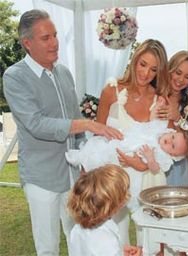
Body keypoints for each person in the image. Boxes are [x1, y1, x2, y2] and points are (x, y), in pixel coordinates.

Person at [2, 9, 122, 256]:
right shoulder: (15, 77)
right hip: (41, 178)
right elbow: (35, 124)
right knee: (48, 247)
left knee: (80, 238)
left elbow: (75, 118)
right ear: (27, 43)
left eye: (55, 35)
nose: (55, 42)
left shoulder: (64, 73)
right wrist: (87, 125)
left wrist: (88, 157)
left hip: (73, 176)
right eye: (46, 38)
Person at [95, 39, 169, 246]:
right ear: (134, 60)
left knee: (150, 241)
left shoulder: (160, 100)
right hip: (112, 177)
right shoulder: (112, 90)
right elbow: (98, 132)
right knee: (114, 239)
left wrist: (142, 164)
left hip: (147, 178)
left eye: (153, 69)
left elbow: (166, 145)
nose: (145, 73)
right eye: (142, 64)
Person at [66, 119, 188, 210]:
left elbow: (155, 169)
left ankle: (89, 167)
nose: (169, 141)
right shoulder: (157, 132)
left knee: (108, 160)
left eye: (172, 146)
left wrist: (150, 159)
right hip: (126, 142)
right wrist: (157, 108)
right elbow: (150, 123)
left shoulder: (163, 156)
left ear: (173, 155)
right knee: (103, 146)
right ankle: (83, 158)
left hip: (128, 165)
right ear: (171, 131)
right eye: (172, 136)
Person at [67, 164, 142, 256]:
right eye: (124, 192)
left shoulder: (77, 229)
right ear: (111, 205)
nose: (128, 194)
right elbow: (104, 248)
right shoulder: (106, 241)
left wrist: (121, 253)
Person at [156, 50, 188, 186]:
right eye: (178, 73)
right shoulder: (153, 93)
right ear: (170, 69)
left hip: (177, 169)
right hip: (150, 161)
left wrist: (178, 118)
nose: (181, 80)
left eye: (187, 77)